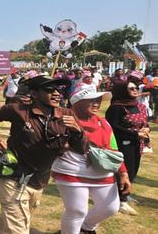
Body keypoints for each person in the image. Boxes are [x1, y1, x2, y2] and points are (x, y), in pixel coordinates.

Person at [0, 75, 85, 234]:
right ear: (34, 93)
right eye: (49, 89)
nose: (56, 93)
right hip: (13, 176)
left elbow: (81, 149)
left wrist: (78, 132)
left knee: (20, 220)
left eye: (58, 89)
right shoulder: (18, 110)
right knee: (19, 229)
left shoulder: (67, 115)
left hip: (39, 180)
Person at [51, 84, 131, 234]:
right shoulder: (63, 120)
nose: (96, 103)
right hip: (71, 171)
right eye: (91, 100)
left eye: (98, 99)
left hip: (102, 171)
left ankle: (86, 228)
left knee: (110, 207)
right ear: (77, 102)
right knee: (77, 211)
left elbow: (113, 149)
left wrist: (123, 173)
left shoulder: (103, 123)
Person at [105, 78, 150, 216]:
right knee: (125, 171)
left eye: (136, 87)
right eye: (131, 88)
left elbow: (144, 122)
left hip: (137, 143)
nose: (135, 90)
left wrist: (146, 130)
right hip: (123, 144)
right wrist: (135, 133)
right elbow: (113, 127)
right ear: (122, 91)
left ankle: (125, 194)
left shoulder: (139, 105)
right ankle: (121, 201)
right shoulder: (117, 107)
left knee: (134, 170)